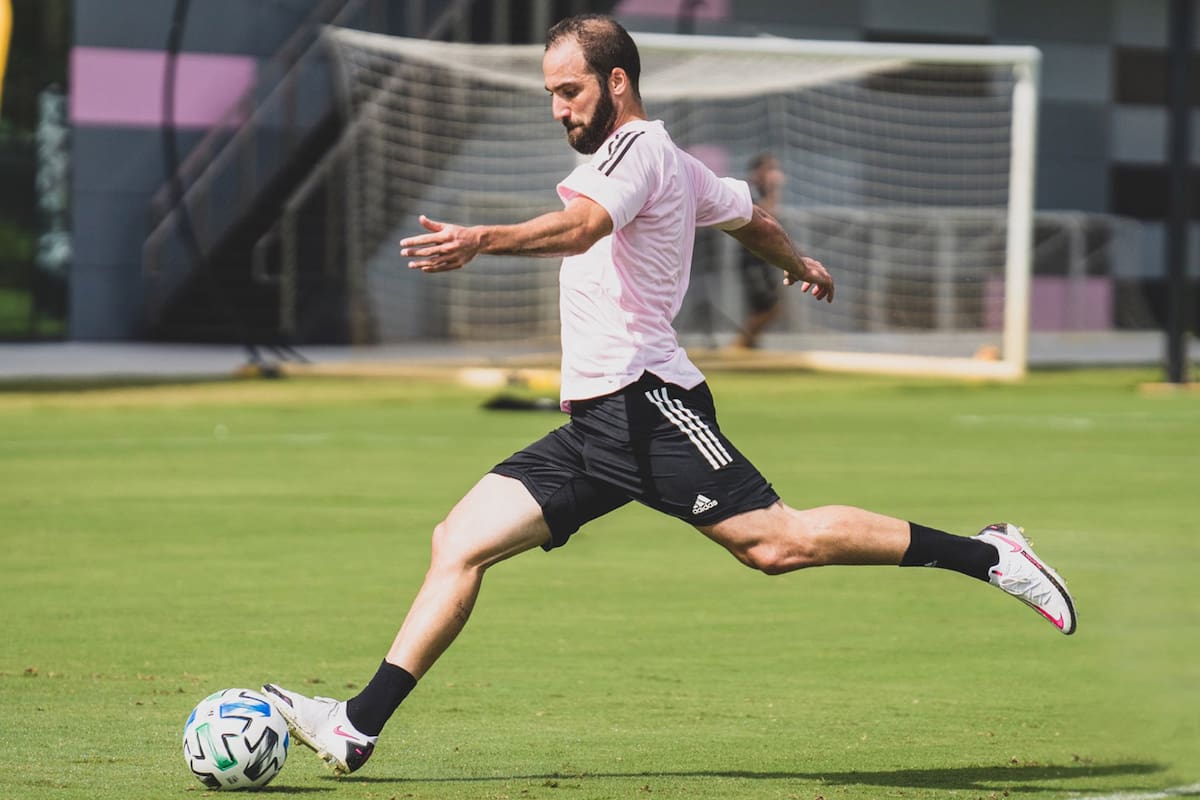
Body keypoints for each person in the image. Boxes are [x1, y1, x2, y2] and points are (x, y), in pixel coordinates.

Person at [263, 13, 1076, 777]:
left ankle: (992, 555)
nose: (557, 107)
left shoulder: (635, 154)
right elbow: (746, 214)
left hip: (647, 404)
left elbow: (583, 228)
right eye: (550, 92)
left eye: (569, 89)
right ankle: (356, 726)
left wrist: (483, 239)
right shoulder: (672, 164)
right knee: (459, 543)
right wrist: (795, 261)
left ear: (615, 82)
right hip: (592, 424)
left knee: (776, 544)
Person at [733, 153, 785, 348]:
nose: (775, 174)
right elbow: (767, 216)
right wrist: (774, 189)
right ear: (758, 171)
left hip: (764, 259)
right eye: (771, 169)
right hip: (751, 259)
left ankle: (748, 344)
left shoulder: (761, 191)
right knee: (767, 307)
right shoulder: (750, 190)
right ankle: (739, 345)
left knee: (768, 307)